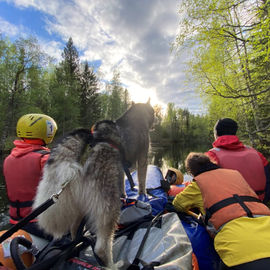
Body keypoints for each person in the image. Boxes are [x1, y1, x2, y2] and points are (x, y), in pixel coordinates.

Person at [173, 152, 270, 270]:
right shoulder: (235, 175)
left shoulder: (198, 184)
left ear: (191, 172)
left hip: (239, 252)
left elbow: (177, 205)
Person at [3, 113, 57, 240]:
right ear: (48, 133)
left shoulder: (9, 158)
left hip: (15, 222)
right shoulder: (46, 158)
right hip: (40, 224)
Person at [206, 118, 270, 203]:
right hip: (260, 203)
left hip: (230, 208)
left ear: (216, 134)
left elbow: (201, 186)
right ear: (235, 132)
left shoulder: (211, 156)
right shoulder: (256, 153)